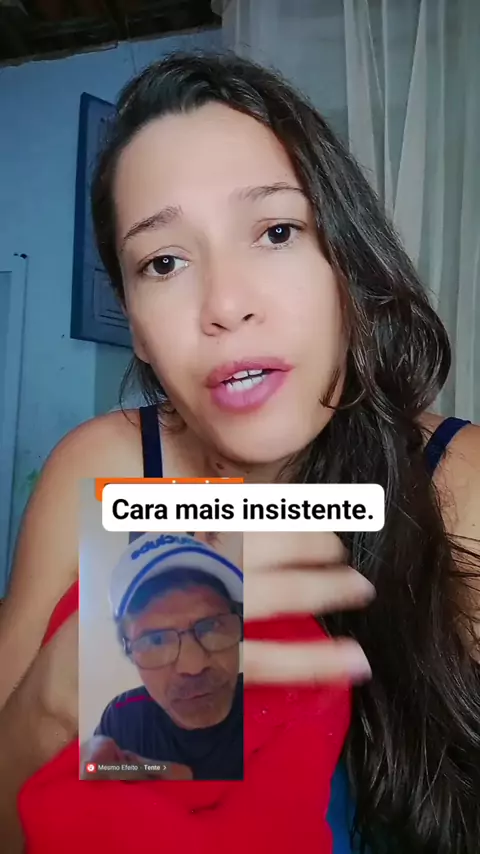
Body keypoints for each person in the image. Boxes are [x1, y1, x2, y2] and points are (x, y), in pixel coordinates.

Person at [0, 50, 478, 854]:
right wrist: (57, 697)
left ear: (346, 261)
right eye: (164, 262)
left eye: (277, 231)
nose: (224, 305)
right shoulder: (103, 472)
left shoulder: (457, 482)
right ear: (135, 325)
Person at [82, 533, 244, 781]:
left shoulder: (278, 708)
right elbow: (95, 771)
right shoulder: (124, 718)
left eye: (211, 627)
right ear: (130, 652)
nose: (193, 666)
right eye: (156, 640)